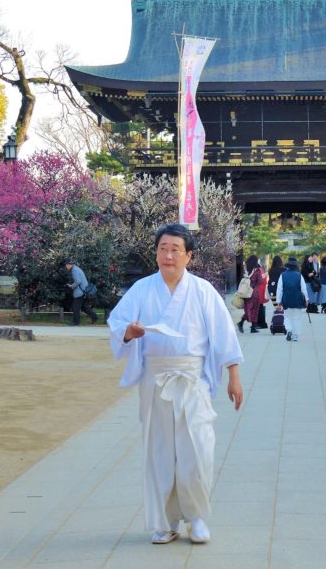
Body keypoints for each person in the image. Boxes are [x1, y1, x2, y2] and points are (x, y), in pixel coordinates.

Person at [108, 223, 244, 546]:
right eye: (162, 249)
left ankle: (196, 517)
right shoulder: (142, 289)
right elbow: (117, 325)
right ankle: (166, 522)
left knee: (197, 450)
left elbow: (224, 334)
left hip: (191, 379)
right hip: (155, 380)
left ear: (189, 255)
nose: (168, 256)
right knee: (160, 453)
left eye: (175, 250)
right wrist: (130, 332)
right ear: (156, 253)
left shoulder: (202, 291)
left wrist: (234, 375)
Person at [275, 257, 309, 342]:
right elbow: (304, 289)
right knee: (296, 317)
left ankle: (289, 330)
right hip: (297, 298)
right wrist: (307, 299)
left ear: (288, 266)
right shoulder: (299, 275)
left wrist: (278, 301)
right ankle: (295, 336)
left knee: (287, 316)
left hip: (286, 298)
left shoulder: (283, 275)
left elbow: (279, 289)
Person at [237, 255, 266, 334]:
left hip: (246, 291)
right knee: (255, 309)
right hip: (254, 291)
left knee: (248, 309)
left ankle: (242, 323)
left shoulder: (245, 269)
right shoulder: (257, 270)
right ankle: (251, 327)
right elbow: (261, 281)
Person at [64, 259, 98, 325]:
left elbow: (78, 281)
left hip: (80, 292)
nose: (66, 267)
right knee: (84, 307)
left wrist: (71, 286)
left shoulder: (74, 270)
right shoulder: (77, 268)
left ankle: (76, 322)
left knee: (75, 307)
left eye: (66, 265)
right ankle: (94, 317)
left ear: (69, 265)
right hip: (84, 290)